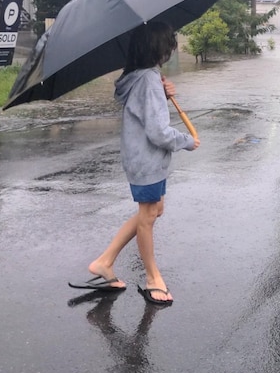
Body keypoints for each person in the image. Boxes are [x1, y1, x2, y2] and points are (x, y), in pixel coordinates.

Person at [69, 21, 199, 305]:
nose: (170, 51)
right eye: (168, 46)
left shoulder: (142, 77)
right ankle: (153, 278)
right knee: (148, 216)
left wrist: (163, 93)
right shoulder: (148, 80)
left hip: (143, 159)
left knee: (153, 211)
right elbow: (158, 131)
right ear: (157, 49)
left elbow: (146, 109)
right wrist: (185, 141)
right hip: (146, 159)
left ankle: (105, 261)